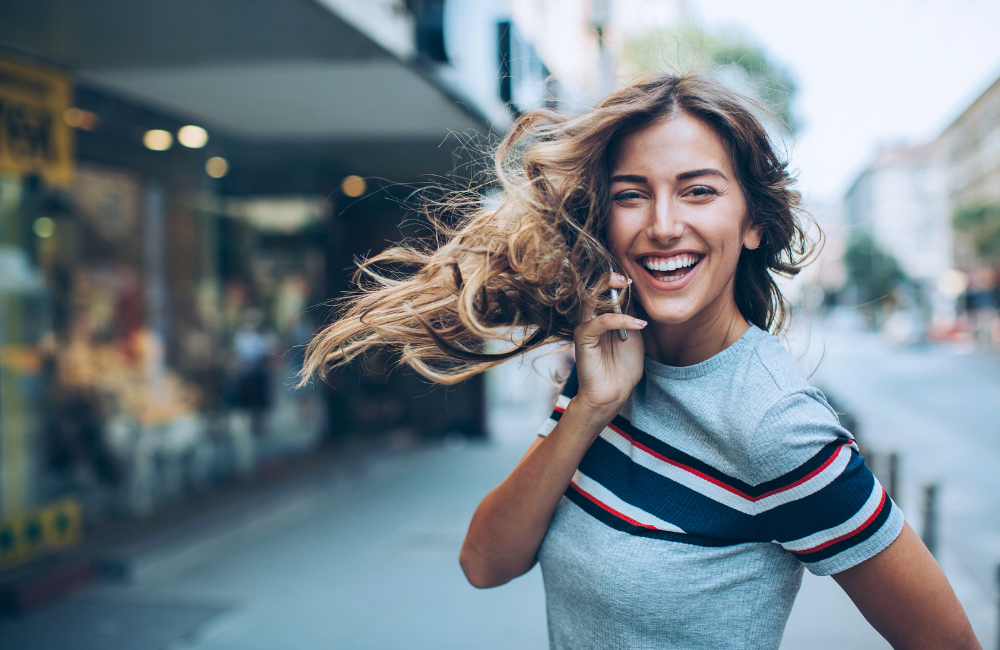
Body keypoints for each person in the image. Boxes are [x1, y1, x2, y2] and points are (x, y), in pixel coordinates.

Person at [300, 74, 980, 649]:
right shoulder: (613, 359)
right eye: (632, 194)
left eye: (698, 190)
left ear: (752, 223)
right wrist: (590, 405)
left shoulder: (777, 425)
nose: (661, 223)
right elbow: (484, 562)